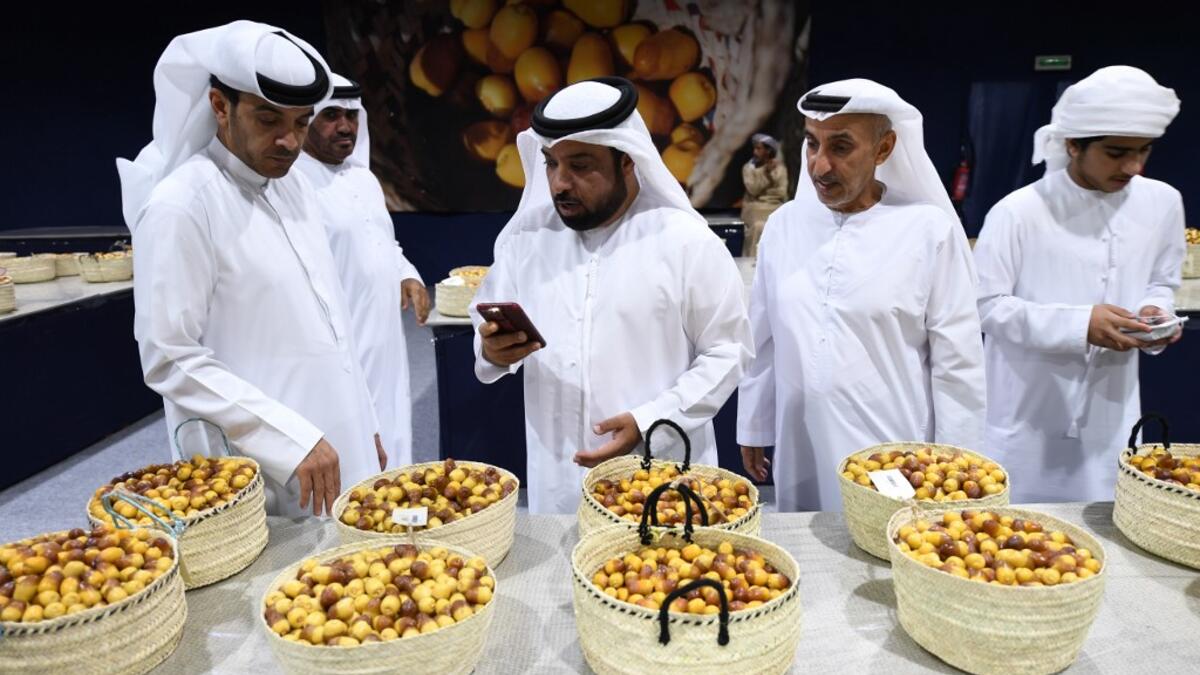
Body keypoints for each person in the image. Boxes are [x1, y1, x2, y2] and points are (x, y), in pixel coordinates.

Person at [117, 21, 384, 517]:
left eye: (302, 123)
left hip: (337, 442)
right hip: (269, 463)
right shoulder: (182, 205)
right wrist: (288, 439)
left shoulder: (294, 186)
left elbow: (333, 318)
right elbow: (169, 356)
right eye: (268, 120)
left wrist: (364, 422)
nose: (290, 141)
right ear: (220, 106)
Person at [470, 77, 754, 514]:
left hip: (659, 475)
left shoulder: (686, 242)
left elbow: (728, 351)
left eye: (580, 166)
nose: (560, 183)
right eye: (551, 164)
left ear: (627, 160)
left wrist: (651, 421)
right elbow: (486, 327)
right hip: (556, 477)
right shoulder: (527, 240)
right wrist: (493, 351)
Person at [737, 79, 986, 511]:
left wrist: (957, 465)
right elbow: (763, 337)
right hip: (800, 445)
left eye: (841, 147)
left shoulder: (928, 232)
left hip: (895, 456)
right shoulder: (784, 225)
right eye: (812, 144)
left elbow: (958, 364)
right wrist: (754, 425)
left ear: (883, 149)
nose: (819, 166)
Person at [973, 66, 1184, 503]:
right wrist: (1079, 325)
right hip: (1027, 415)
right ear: (1072, 144)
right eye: (1116, 152)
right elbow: (985, 306)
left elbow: (1161, 282)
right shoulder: (1018, 211)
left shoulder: (1163, 202)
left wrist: (1156, 314)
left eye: (1143, 151)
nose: (1133, 166)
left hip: (1113, 410)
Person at [295, 73, 430, 469]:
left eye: (352, 116)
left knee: (392, 425)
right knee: (352, 444)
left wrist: (407, 272)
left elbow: (383, 242)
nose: (345, 126)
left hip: (385, 340)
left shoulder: (364, 178)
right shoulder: (293, 184)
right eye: (331, 115)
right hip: (337, 346)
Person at [741, 133, 788, 257]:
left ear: (768, 150)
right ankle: (752, 259)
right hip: (755, 207)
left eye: (758, 148)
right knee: (758, 227)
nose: (755, 152)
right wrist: (765, 173)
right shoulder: (748, 168)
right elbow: (753, 190)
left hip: (775, 206)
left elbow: (782, 192)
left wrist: (764, 194)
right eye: (754, 148)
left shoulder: (780, 169)